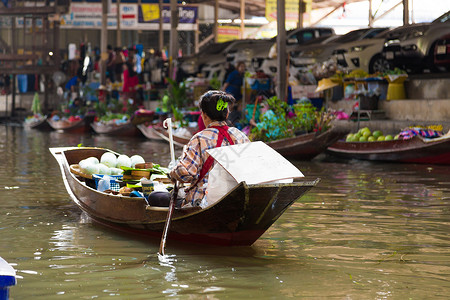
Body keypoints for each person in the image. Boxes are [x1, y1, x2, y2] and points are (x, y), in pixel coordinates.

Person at [149, 91, 250, 208]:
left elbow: (185, 173)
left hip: (203, 200)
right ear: (227, 114)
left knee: (154, 196)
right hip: (235, 197)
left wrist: (172, 173)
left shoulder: (199, 138)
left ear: (204, 115)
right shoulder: (240, 136)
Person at [222, 61, 246, 125]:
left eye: (244, 67)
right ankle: (228, 121)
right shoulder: (233, 74)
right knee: (229, 107)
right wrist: (223, 93)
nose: (242, 68)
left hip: (237, 93)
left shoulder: (242, 75)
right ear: (238, 67)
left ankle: (237, 120)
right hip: (231, 92)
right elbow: (226, 83)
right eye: (241, 66)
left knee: (239, 105)